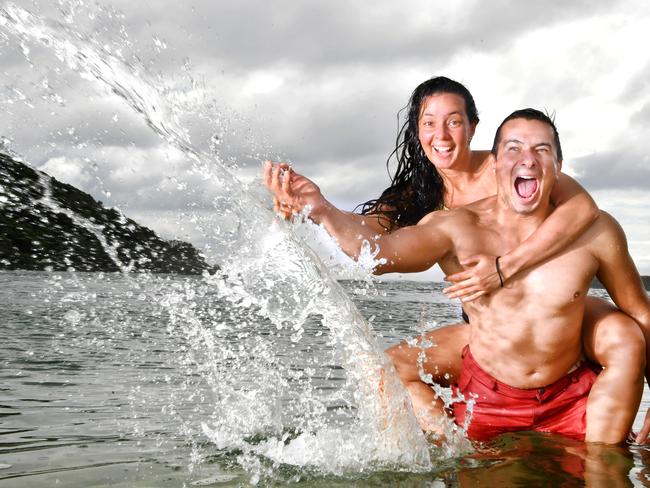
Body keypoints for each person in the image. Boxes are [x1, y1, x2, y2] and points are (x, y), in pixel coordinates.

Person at [263, 76, 649, 443]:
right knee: (386, 368)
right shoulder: (421, 197)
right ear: (417, 130)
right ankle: (449, 451)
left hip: (557, 298)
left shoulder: (510, 164)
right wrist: (320, 207)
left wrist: (503, 267)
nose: (442, 135)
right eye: (429, 123)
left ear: (473, 126)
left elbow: (584, 211)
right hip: (487, 319)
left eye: (453, 122)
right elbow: (375, 243)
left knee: (624, 333)